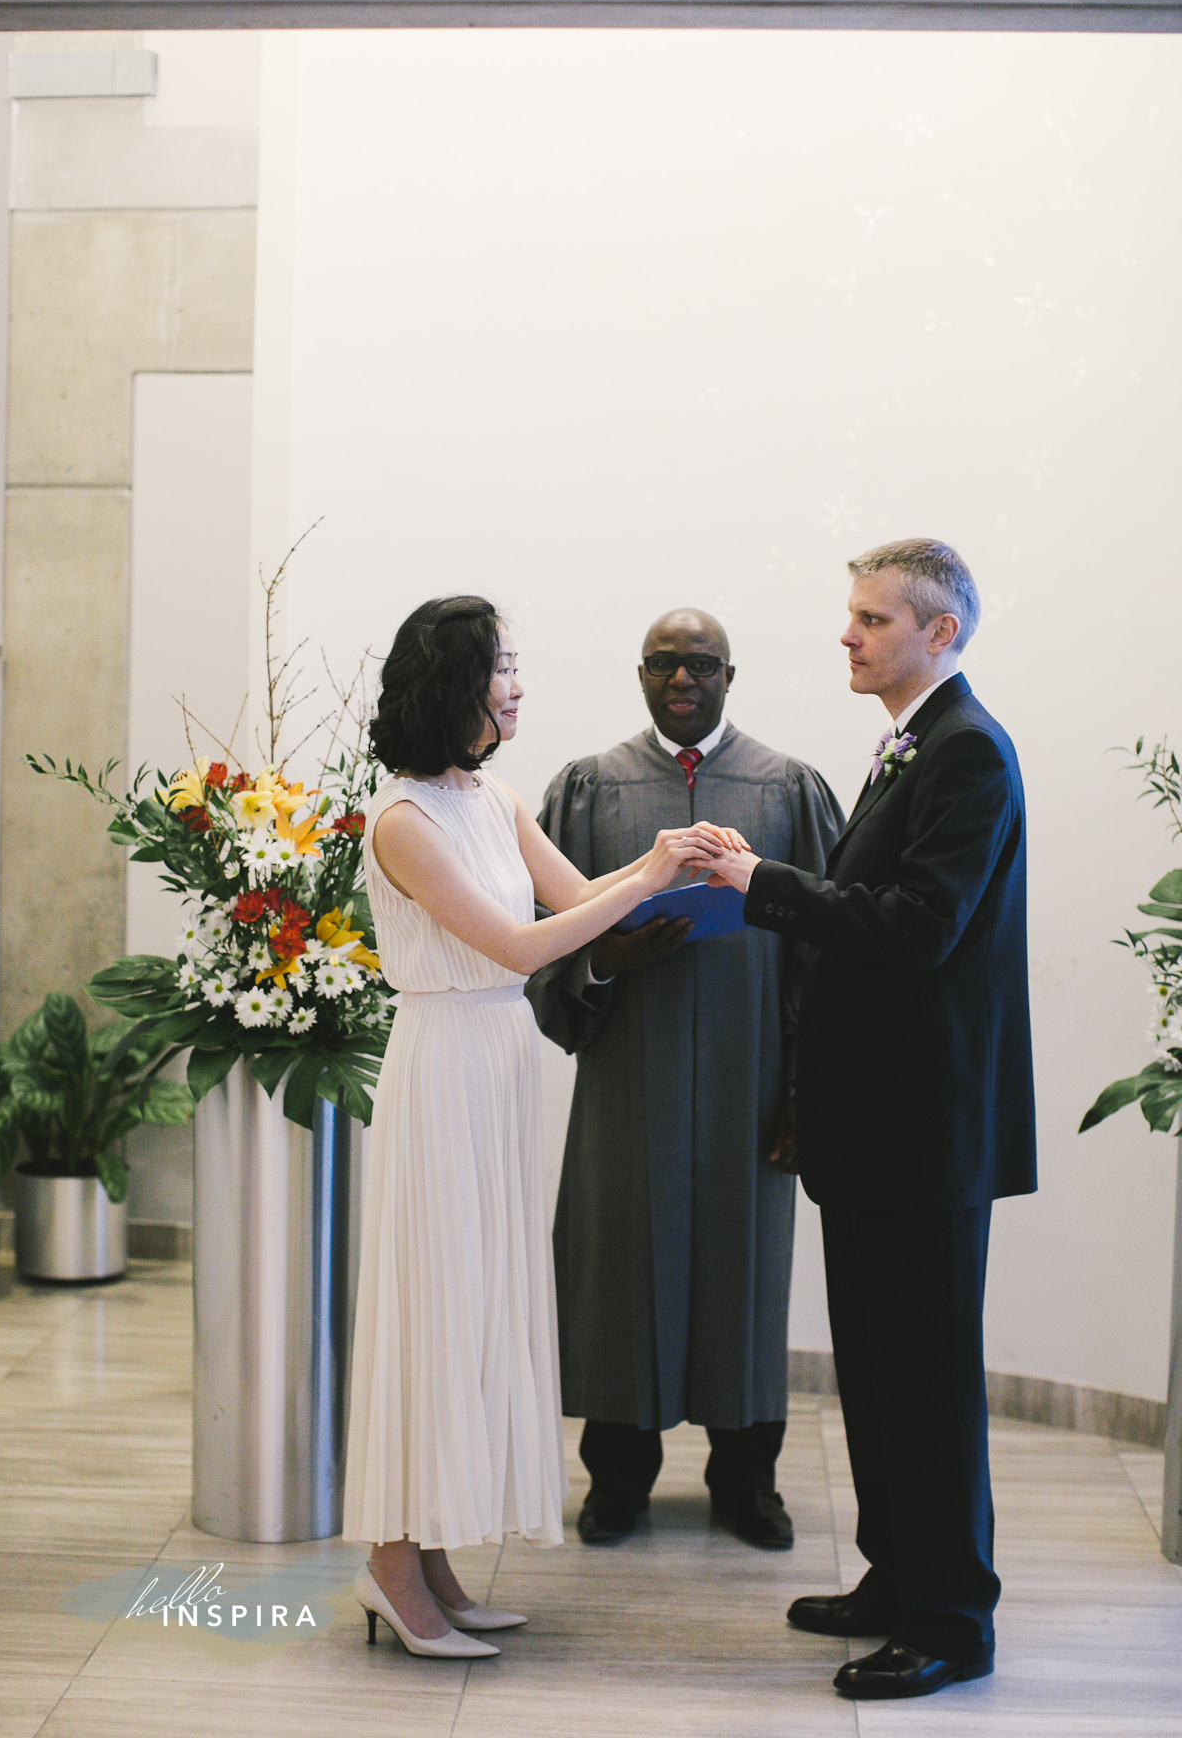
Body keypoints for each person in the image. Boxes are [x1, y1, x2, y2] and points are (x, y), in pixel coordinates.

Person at [342, 595, 732, 1659]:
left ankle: (433, 1563)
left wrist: (675, 863)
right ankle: (390, 1561)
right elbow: (520, 946)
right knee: (437, 1306)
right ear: (453, 684)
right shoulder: (403, 820)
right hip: (443, 1071)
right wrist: (649, 873)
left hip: (502, 1065)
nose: (517, 685)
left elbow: (578, 897)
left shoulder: (496, 798)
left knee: (482, 1308)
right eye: (501, 667)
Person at [706, 541, 1036, 1700]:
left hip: (927, 1131)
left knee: (929, 1385)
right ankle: (898, 1578)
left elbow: (919, 926)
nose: (847, 636)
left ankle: (952, 1621)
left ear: (939, 633)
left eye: (872, 619)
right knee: (881, 1374)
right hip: (879, 1128)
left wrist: (764, 883)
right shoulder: (917, 746)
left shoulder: (970, 754)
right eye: (850, 615)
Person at [527, 608, 842, 1547]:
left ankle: (747, 1481)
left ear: (729, 675)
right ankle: (617, 1478)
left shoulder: (788, 789)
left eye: (700, 664)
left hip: (754, 1083)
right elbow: (535, 940)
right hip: (631, 1078)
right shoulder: (586, 790)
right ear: (640, 673)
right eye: (664, 664)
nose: (682, 680)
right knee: (621, 1266)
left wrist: (804, 1092)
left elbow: (828, 952)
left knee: (747, 1271)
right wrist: (608, 960)